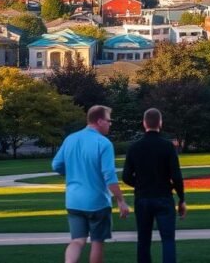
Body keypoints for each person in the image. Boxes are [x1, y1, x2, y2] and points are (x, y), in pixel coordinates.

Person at [53, 105, 130, 263]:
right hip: (97, 202)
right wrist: (121, 201)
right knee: (97, 243)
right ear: (100, 121)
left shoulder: (71, 139)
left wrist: (73, 172)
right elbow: (109, 175)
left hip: (74, 200)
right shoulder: (104, 143)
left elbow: (56, 165)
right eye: (109, 120)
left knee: (77, 240)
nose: (110, 124)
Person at [121, 108, 186, 263]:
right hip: (164, 197)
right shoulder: (168, 147)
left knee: (143, 241)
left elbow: (126, 176)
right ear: (160, 123)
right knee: (168, 240)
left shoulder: (134, 147)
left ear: (144, 124)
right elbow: (176, 176)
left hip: (143, 198)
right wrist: (181, 198)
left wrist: (141, 184)